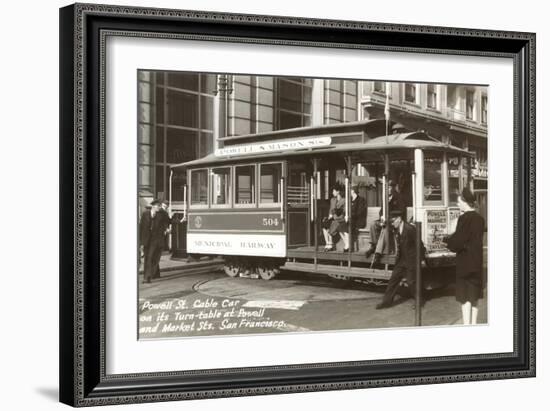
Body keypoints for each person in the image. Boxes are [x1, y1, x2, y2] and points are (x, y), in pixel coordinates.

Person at [443, 187, 485, 325]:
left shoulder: (463, 218)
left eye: (458, 202)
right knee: (474, 297)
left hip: (465, 263)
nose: (457, 204)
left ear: (465, 202)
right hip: (476, 263)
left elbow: (458, 242)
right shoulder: (480, 219)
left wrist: (446, 241)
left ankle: (467, 327)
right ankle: (474, 325)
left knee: (464, 297)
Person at [376, 209, 419, 309]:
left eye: (393, 221)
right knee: (393, 281)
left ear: (399, 219)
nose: (392, 223)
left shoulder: (410, 229)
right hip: (401, 260)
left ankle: (418, 301)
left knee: (411, 282)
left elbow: (419, 245)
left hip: (411, 260)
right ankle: (386, 302)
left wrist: (417, 260)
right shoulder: (396, 228)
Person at [365, 179, 406, 262]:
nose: (388, 189)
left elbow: (401, 211)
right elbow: (381, 211)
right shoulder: (386, 198)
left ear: (393, 188)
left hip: (395, 220)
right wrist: (382, 216)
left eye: (389, 187)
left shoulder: (399, 197)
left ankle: (378, 253)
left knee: (385, 227)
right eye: (387, 187)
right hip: (386, 219)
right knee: (373, 224)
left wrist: (388, 215)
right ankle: (373, 245)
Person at [139, 199, 170, 284]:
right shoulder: (145, 214)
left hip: (156, 240)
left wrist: (166, 229)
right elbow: (141, 228)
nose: (159, 207)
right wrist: (140, 242)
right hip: (146, 240)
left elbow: (166, 222)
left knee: (152, 258)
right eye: (158, 206)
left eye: (160, 206)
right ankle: (147, 277)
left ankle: (149, 276)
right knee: (147, 259)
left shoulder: (162, 214)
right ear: (153, 206)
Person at [322, 185, 346, 251]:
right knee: (324, 224)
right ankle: (328, 243)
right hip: (333, 217)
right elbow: (330, 210)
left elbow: (343, 211)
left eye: (333, 191)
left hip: (340, 218)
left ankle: (330, 245)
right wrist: (329, 216)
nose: (332, 192)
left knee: (331, 224)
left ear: (338, 191)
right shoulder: (332, 200)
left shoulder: (344, 200)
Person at [350, 185, 367, 251]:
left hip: (359, 220)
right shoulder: (350, 199)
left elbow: (360, 212)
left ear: (353, 191)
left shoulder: (361, 200)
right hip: (352, 219)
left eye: (351, 190)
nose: (350, 191)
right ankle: (349, 245)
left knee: (348, 224)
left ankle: (351, 246)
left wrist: (351, 215)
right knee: (344, 224)